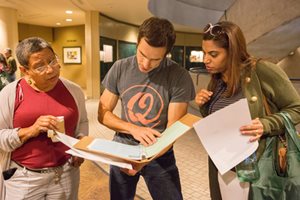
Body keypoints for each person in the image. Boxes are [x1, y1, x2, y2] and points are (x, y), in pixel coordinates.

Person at [195, 21, 300, 200]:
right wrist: (204, 105)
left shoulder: (261, 70)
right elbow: (221, 122)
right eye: (205, 53)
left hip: (258, 168)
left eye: (213, 54)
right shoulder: (217, 80)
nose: (206, 59)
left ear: (233, 52)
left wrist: (266, 124)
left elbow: (296, 107)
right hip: (224, 167)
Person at [98, 17, 195, 200]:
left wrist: (144, 160)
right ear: (137, 42)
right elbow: (103, 114)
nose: (145, 64)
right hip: (122, 149)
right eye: (141, 54)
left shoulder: (179, 76)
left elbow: (173, 131)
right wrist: (133, 129)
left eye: (155, 59)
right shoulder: (120, 67)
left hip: (159, 152)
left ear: (167, 53)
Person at [0, 37, 89, 200]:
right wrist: (30, 130)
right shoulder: (10, 94)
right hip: (24, 178)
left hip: (65, 174)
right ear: (24, 70)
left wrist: (80, 144)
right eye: (40, 66)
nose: (50, 70)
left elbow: (82, 122)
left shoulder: (73, 90)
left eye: (52, 60)